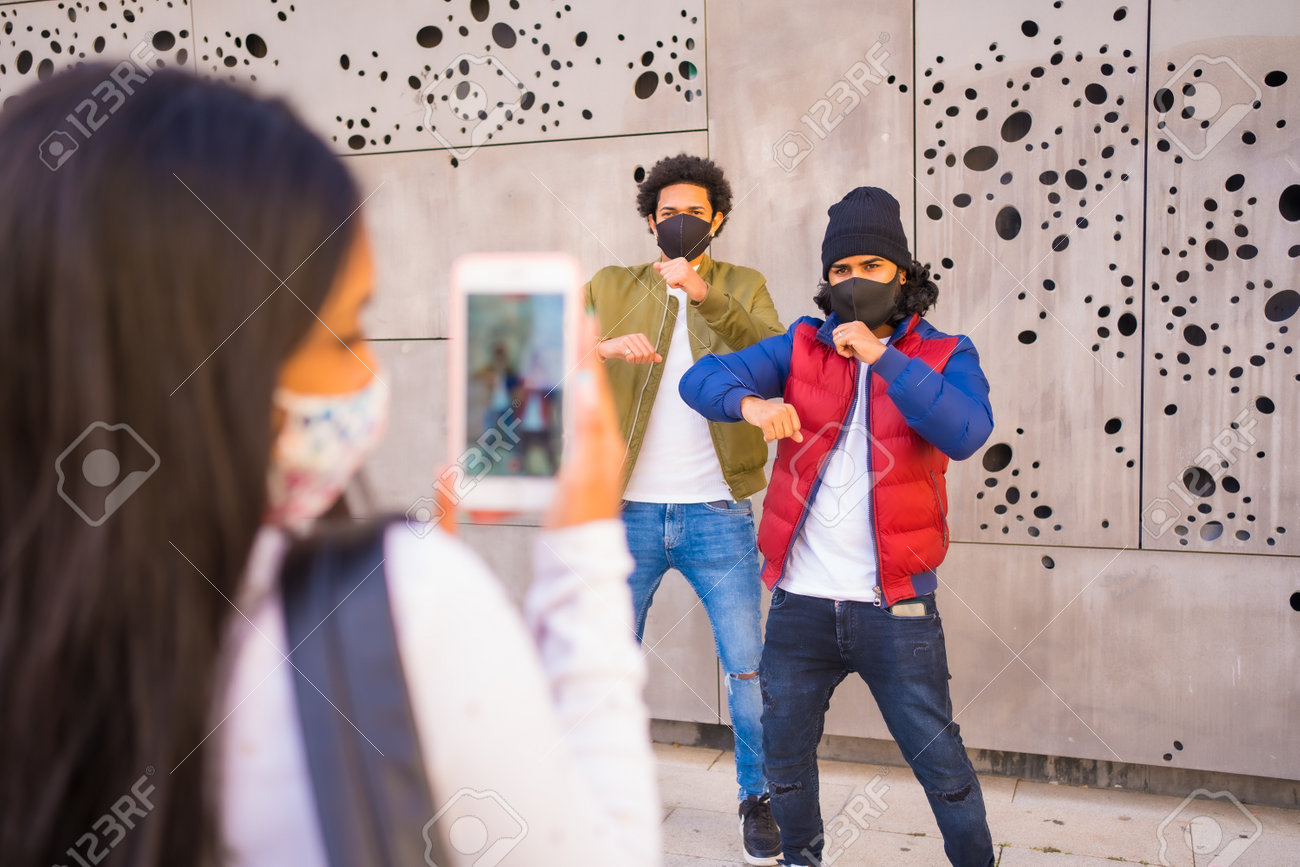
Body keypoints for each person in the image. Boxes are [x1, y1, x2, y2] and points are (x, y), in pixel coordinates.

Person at [0, 64, 659, 866]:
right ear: (203, 366)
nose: (368, 378)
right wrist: (584, 544)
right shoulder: (405, 612)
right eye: (346, 334)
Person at [680, 186, 997, 867]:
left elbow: (967, 430)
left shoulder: (943, 354)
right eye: (842, 270)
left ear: (903, 274)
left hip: (897, 606)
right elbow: (700, 379)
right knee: (785, 753)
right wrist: (751, 403)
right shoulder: (800, 346)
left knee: (940, 761)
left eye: (872, 267)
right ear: (828, 280)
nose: (855, 281)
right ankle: (801, 858)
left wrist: (884, 357)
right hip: (802, 603)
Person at [584, 153, 785, 864]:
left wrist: (702, 293)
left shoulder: (741, 284)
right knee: (605, 663)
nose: (680, 223)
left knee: (749, 666)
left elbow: (776, 359)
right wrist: (598, 345)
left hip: (715, 514)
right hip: (626, 514)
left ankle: (758, 796)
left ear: (718, 219)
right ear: (648, 221)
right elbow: (528, 356)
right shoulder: (610, 285)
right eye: (668, 212)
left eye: (695, 213)